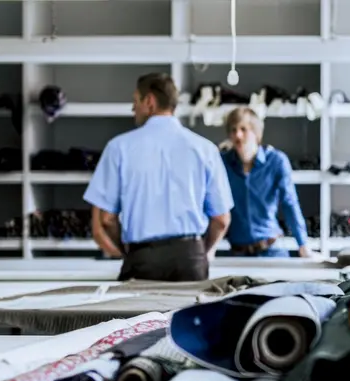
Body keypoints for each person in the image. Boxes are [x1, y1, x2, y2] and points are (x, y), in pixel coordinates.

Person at [84, 72, 233, 281]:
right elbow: (222, 219)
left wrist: (129, 252)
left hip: (143, 258)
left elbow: (106, 219)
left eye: (135, 101)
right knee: (188, 314)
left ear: (150, 101)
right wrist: (199, 251)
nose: (133, 108)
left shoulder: (119, 148)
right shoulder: (205, 149)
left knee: (140, 315)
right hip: (190, 258)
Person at [220, 107, 312, 258]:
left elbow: (290, 203)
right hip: (237, 253)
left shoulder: (276, 161)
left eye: (244, 129)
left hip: (271, 250)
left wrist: (303, 244)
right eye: (233, 130)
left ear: (256, 133)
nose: (238, 135)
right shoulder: (223, 162)